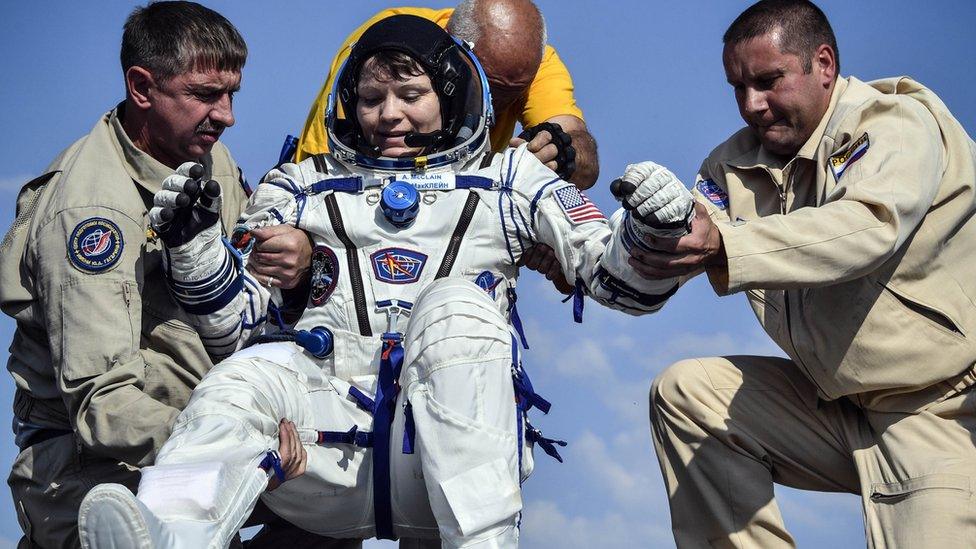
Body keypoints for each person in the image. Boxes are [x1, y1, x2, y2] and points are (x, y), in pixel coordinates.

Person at [78, 14, 673, 549]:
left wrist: (651, 231)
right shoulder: (297, 188)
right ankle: (168, 530)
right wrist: (193, 246)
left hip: (446, 463)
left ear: (448, 95)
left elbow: (615, 280)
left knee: (455, 310)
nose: (389, 113)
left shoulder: (511, 178)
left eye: (410, 94)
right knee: (244, 376)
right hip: (322, 455)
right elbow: (236, 328)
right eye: (371, 97)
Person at [613, 0, 976, 546]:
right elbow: (672, 253)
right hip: (834, 407)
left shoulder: (895, 122)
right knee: (687, 393)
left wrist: (724, 244)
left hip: (938, 411)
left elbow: (869, 226)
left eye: (767, 80)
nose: (751, 105)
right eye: (737, 87)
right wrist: (635, 237)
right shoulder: (730, 167)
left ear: (823, 64)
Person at [0, 3, 308, 547]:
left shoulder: (200, 156)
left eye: (232, 93)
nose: (228, 114)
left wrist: (299, 261)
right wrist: (237, 441)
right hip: (97, 480)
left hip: (190, 451)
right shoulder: (93, 216)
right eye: (206, 94)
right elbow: (104, 404)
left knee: (337, 509)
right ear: (142, 88)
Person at [297, 0, 598, 190]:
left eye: (509, 94)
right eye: (485, 86)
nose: (491, 106)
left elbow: (580, 152)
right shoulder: (384, 45)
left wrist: (561, 154)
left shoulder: (534, 64)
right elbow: (321, 173)